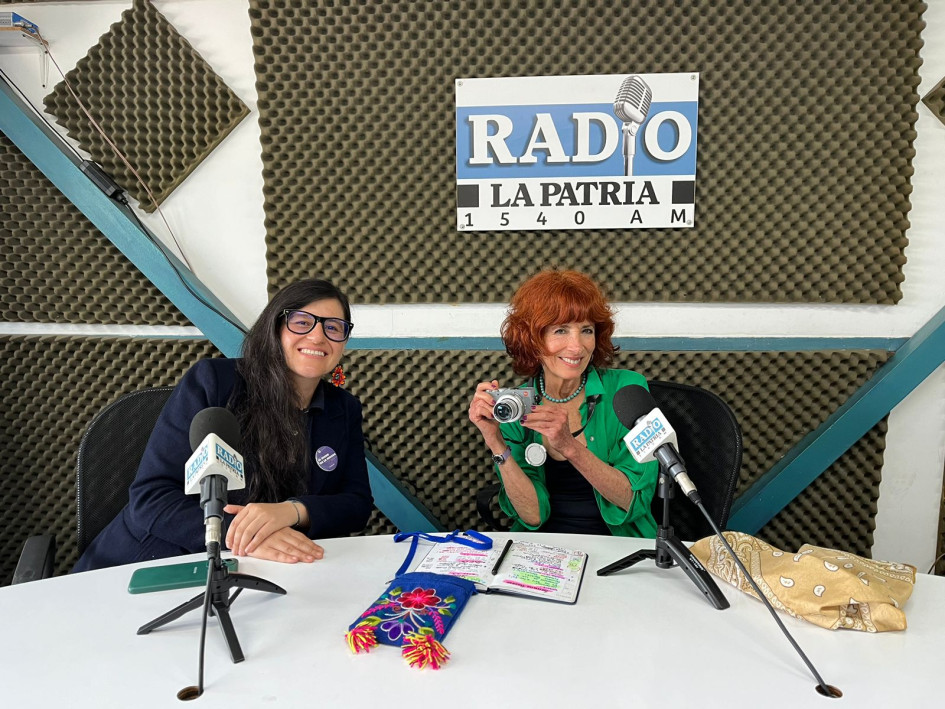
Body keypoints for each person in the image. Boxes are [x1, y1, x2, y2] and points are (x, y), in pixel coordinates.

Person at [74, 278, 373, 571]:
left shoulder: (344, 409)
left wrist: (292, 511)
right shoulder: (214, 383)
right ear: (274, 328)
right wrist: (241, 535)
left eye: (333, 328)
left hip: (266, 570)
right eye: (302, 322)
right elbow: (151, 498)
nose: (318, 337)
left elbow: (356, 505)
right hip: (151, 564)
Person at [468, 269, 658, 536]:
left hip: (620, 546)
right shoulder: (513, 407)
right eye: (560, 330)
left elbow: (633, 501)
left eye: (586, 330)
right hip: (544, 548)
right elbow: (532, 516)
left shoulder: (628, 389)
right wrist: (494, 440)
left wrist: (569, 446)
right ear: (533, 340)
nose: (577, 347)